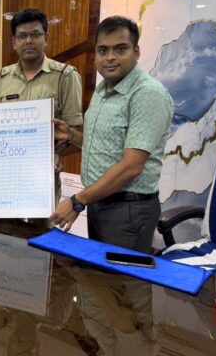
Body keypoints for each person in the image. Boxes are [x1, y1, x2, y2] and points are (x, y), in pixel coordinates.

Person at [50, 15, 174, 253]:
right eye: (103, 50)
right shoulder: (103, 90)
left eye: (120, 49)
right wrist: (72, 136)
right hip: (100, 202)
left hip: (127, 211)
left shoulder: (147, 94)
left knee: (118, 276)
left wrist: (77, 202)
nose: (110, 57)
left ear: (136, 52)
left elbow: (131, 166)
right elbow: (106, 147)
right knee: (99, 274)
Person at [0, 8, 83, 228]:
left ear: (46, 38)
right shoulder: (3, 77)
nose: (29, 41)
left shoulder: (65, 76)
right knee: (3, 233)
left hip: (42, 179)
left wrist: (56, 153)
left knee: (39, 236)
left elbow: (75, 132)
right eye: (22, 36)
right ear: (14, 42)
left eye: (35, 34)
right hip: (6, 177)